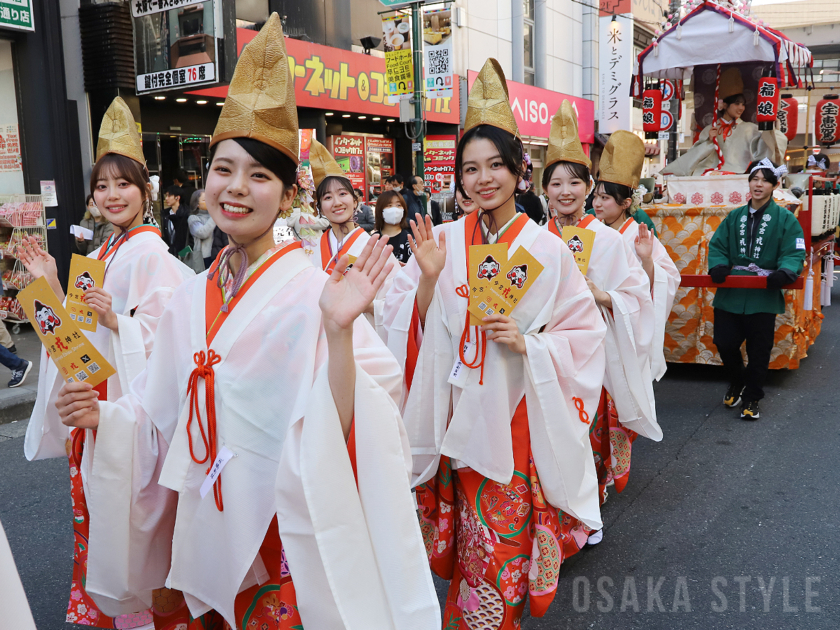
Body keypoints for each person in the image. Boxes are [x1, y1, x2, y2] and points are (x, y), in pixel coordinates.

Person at [53, 16, 440, 628]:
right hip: (202, 510)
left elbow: (358, 424)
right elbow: (157, 409)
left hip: (281, 529)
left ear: (288, 197)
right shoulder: (191, 297)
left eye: (260, 176)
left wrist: (339, 332)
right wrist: (107, 416)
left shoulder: (317, 292)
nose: (236, 188)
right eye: (223, 169)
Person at [382, 58, 606, 628]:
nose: (483, 179)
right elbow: (415, 330)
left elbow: (584, 333)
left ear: (518, 171)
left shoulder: (548, 249)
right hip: (457, 414)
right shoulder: (445, 239)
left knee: (497, 555)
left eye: (496, 166)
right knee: (471, 550)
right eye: (470, 169)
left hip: (516, 421)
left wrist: (531, 344)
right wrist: (428, 279)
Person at [21, 96, 193, 628]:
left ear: (146, 191)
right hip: (97, 415)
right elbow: (74, 347)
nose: (112, 195)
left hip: (129, 420)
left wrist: (120, 322)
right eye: (102, 185)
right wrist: (49, 284)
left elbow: (173, 343)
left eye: (124, 184)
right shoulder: (99, 257)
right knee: (107, 525)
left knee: (137, 532)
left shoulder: (154, 258)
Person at [543, 104, 660, 545]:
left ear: (589, 187)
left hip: (594, 358)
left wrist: (602, 295)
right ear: (545, 191)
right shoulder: (534, 239)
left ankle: (589, 513)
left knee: (587, 440)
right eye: (556, 183)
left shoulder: (610, 241)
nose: (566, 190)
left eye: (575, 181)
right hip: (548, 358)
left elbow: (637, 298)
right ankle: (559, 514)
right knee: (554, 442)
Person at [708, 158, 805, 420]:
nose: (758, 184)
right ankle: (737, 380)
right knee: (724, 343)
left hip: (763, 293)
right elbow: (717, 245)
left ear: (775, 185)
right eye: (754, 178)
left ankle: (752, 398)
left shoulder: (785, 218)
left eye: (764, 180)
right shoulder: (734, 216)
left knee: (759, 351)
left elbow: (795, 248)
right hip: (732, 292)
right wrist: (718, 265)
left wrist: (785, 270)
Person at [592, 131, 681, 383]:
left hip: (626, 324)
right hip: (594, 324)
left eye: (605, 198)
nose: (597, 203)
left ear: (625, 203)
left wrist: (647, 261)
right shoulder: (591, 231)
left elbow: (669, 278)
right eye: (596, 196)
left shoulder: (636, 233)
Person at [308, 138, 400, 341]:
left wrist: (365, 304)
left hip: (366, 342)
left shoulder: (375, 248)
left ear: (355, 200)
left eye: (342, 194)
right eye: (327, 197)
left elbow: (399, 303)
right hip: (322, 342)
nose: (337, 202)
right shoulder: (310, 250)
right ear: (319, 207)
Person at [662, 67, 787, 176]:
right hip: (711, 173)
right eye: (737, 103)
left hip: (741, 173)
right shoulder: (710, 129)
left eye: (743, 104)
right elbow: (694, 157)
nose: (741, 108)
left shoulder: (751, 128)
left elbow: (764, 151)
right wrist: (709, 142)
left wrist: (771, 130)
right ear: (725, 105)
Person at [371, 190, 412, 264]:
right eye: (389, 205)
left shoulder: (410, 240)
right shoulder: (373, 239)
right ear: (380, 210)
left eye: (398, 205)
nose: (394, 210)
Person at [187, 189, 216, 269]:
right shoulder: (193, 218)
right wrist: (215, 216)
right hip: (205, 257)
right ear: (197, 204)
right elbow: (202, 233)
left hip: (218, 254)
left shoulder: (213, 216)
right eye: (205, 200)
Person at [162, 185, 189, 256]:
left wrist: (183, 254)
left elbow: (190, 238)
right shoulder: (165, 214)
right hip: (169, 254)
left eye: (169, 196)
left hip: (183, 254)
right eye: (166, 196)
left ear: (177, 197)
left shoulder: (186, 214)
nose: (166, 198)